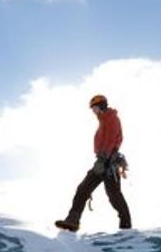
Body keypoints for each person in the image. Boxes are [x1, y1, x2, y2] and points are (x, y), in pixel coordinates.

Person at [55, 94, 132, 232]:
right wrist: (100, 159)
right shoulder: (103, 120)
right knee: (83, 189)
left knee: (114, 195)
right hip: (101, 161)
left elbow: (111, 139)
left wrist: (103, 159)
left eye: (94, 107)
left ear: (101, 105)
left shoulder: (111, 118)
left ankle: (126, 226)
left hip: (108, 162)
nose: (93, 111)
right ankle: (72, 221)